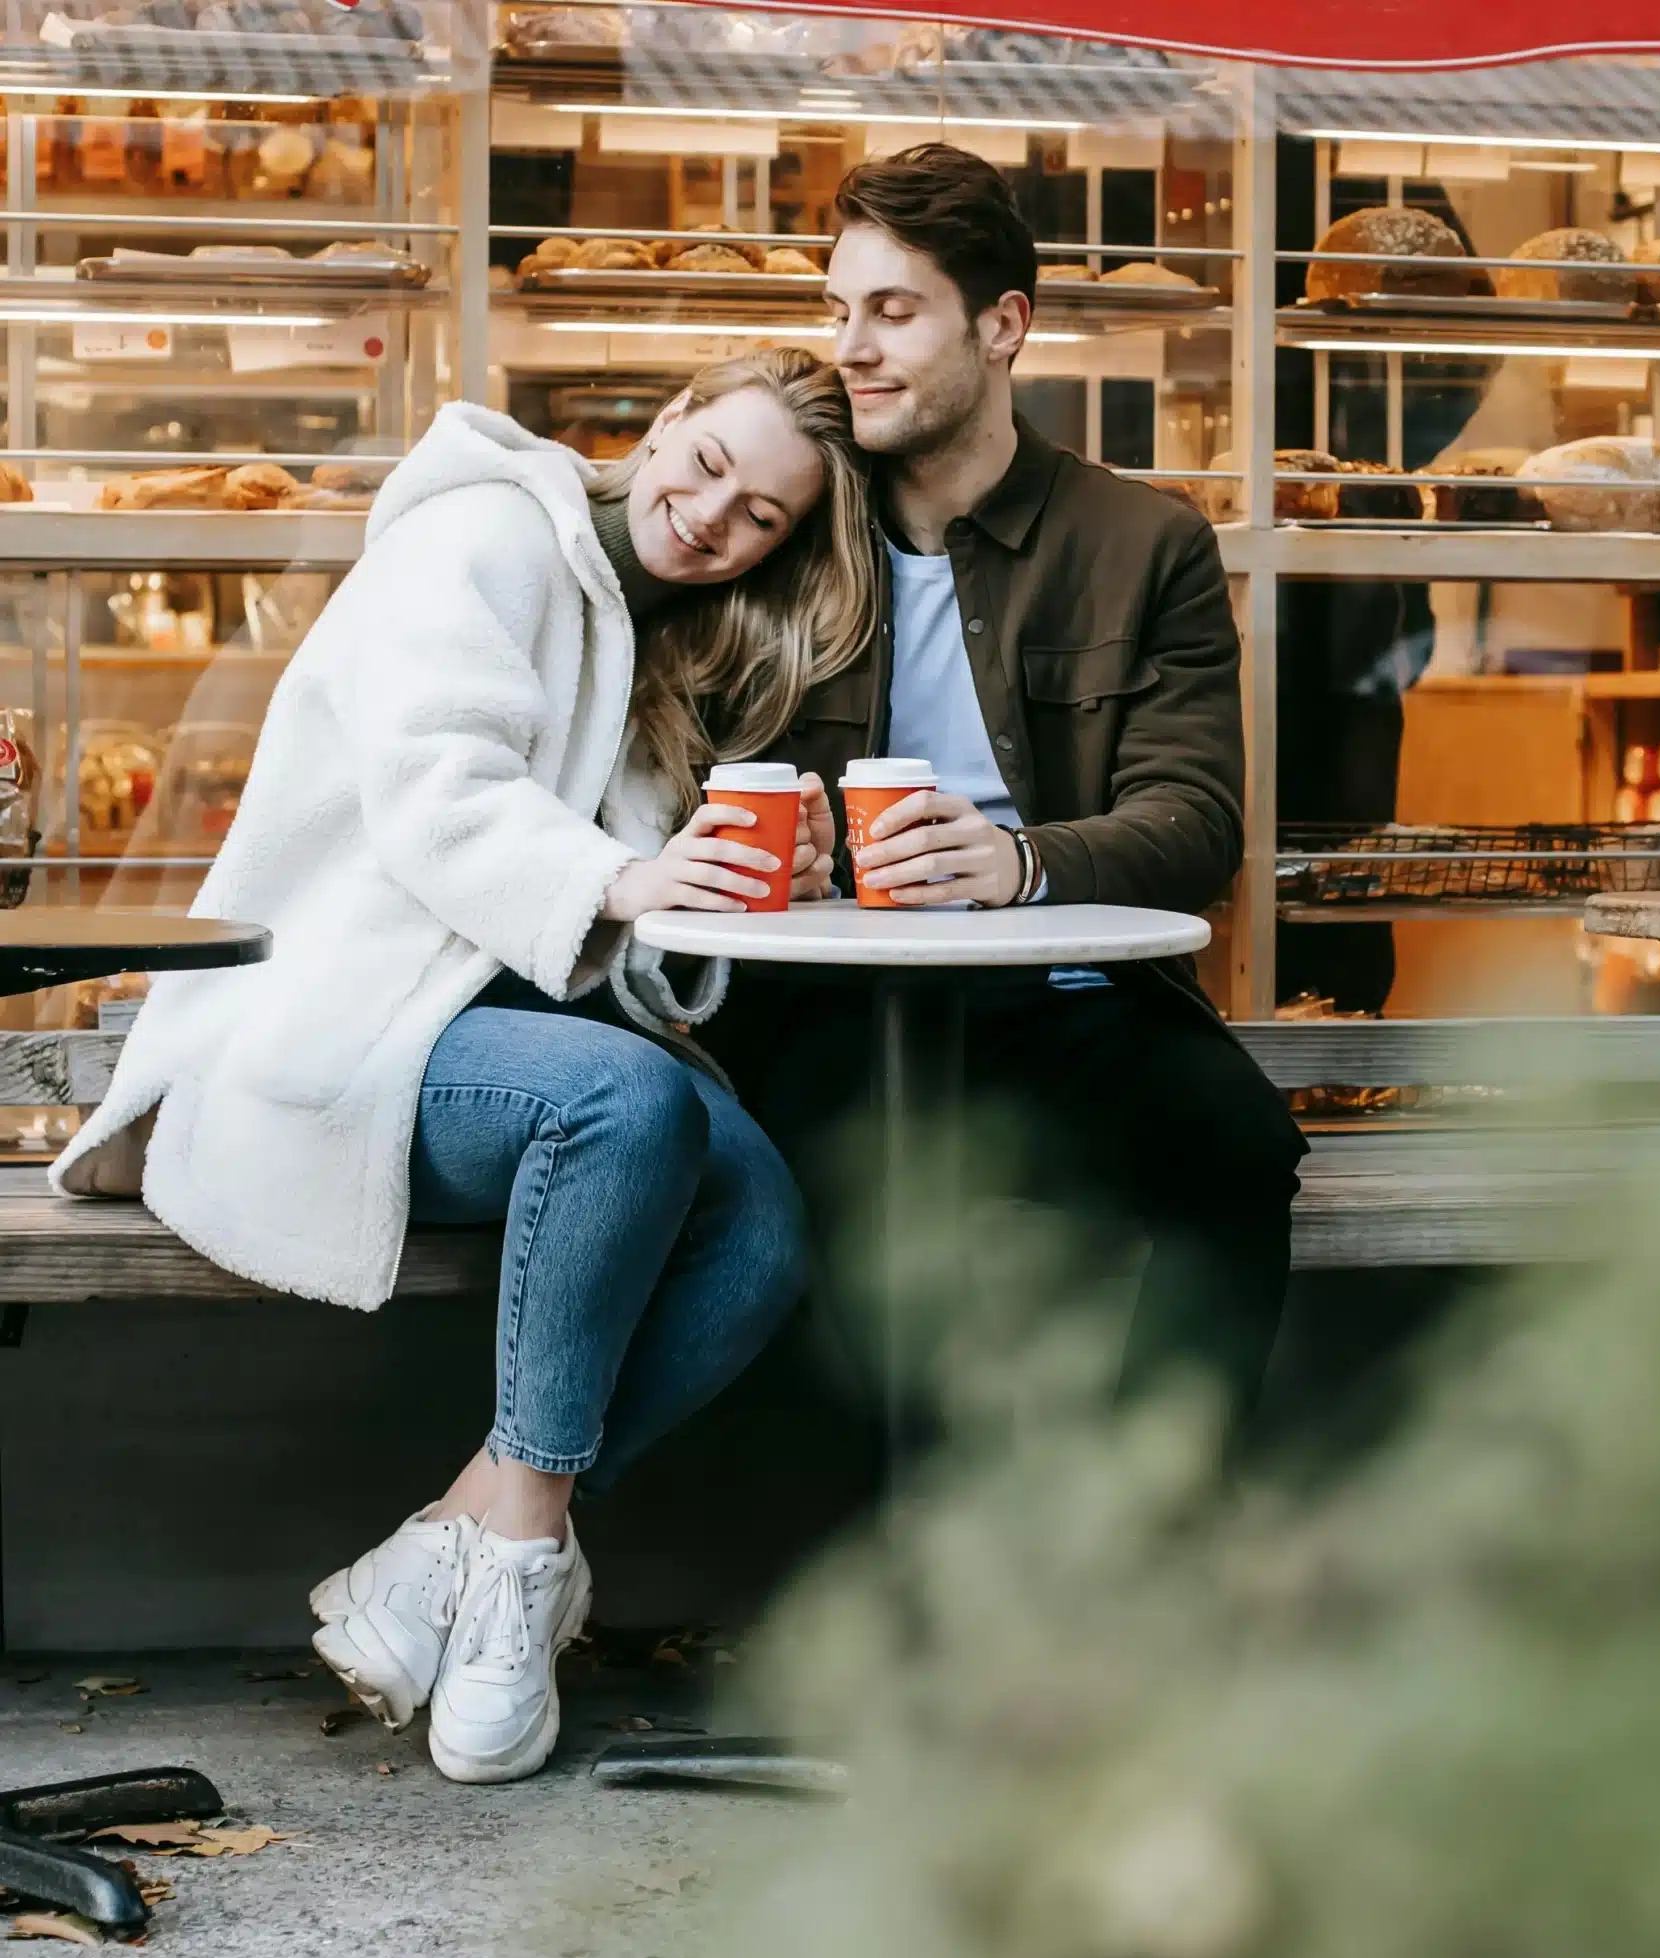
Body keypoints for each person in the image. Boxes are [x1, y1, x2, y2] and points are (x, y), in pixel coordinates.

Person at [53, 351, 874, 1784]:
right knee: (621, 1101)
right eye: (702, 465)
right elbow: (441, 794)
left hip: (486, 1052)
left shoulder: (655, 638)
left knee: (758, 1225)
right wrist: (629, 877)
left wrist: (734, 888)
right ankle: (508, 1599)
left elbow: (620, 951)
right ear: (659, 419)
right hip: (329, 1027)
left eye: (757, 516)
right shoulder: (486, 536)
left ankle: (479, 1534)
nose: (708, 516)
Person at [708, 145, 1306, 1428]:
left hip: (1071, 1006)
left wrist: (1020, 864)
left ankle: (1159, 1531)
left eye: (894, 311)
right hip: (829, 1013)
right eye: (838, 309)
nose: (850, 348)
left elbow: (1196, 819)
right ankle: (884, 1565)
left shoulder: (1146, 545)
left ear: (1003, 326)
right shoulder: (790, 525)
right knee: (808, 1188)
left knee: (1240, 1149)